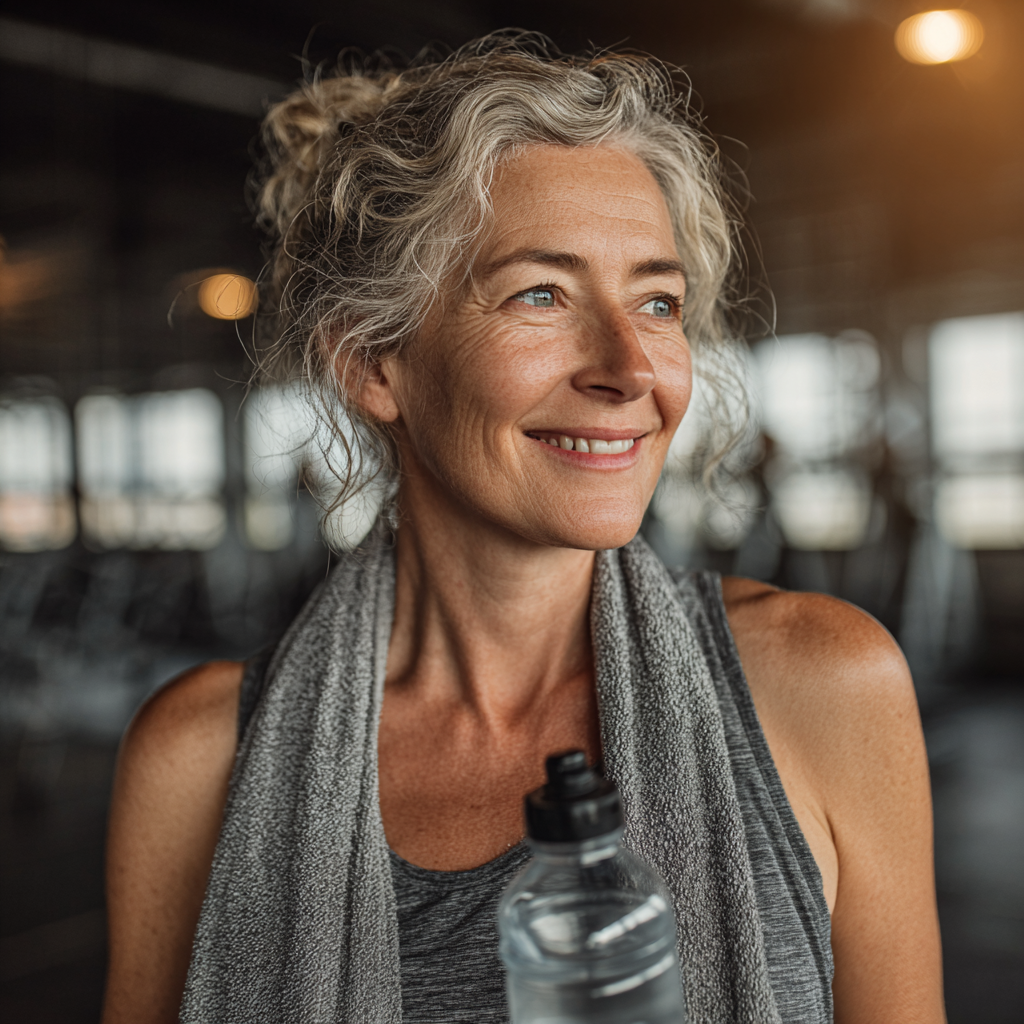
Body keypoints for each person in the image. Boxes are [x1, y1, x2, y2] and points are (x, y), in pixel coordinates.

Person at [101, 34, 944, 1024]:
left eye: (656, 301)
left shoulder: (824, 687)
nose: (628, 365)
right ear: (376, 365)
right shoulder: (197, 760)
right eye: (540, 292)